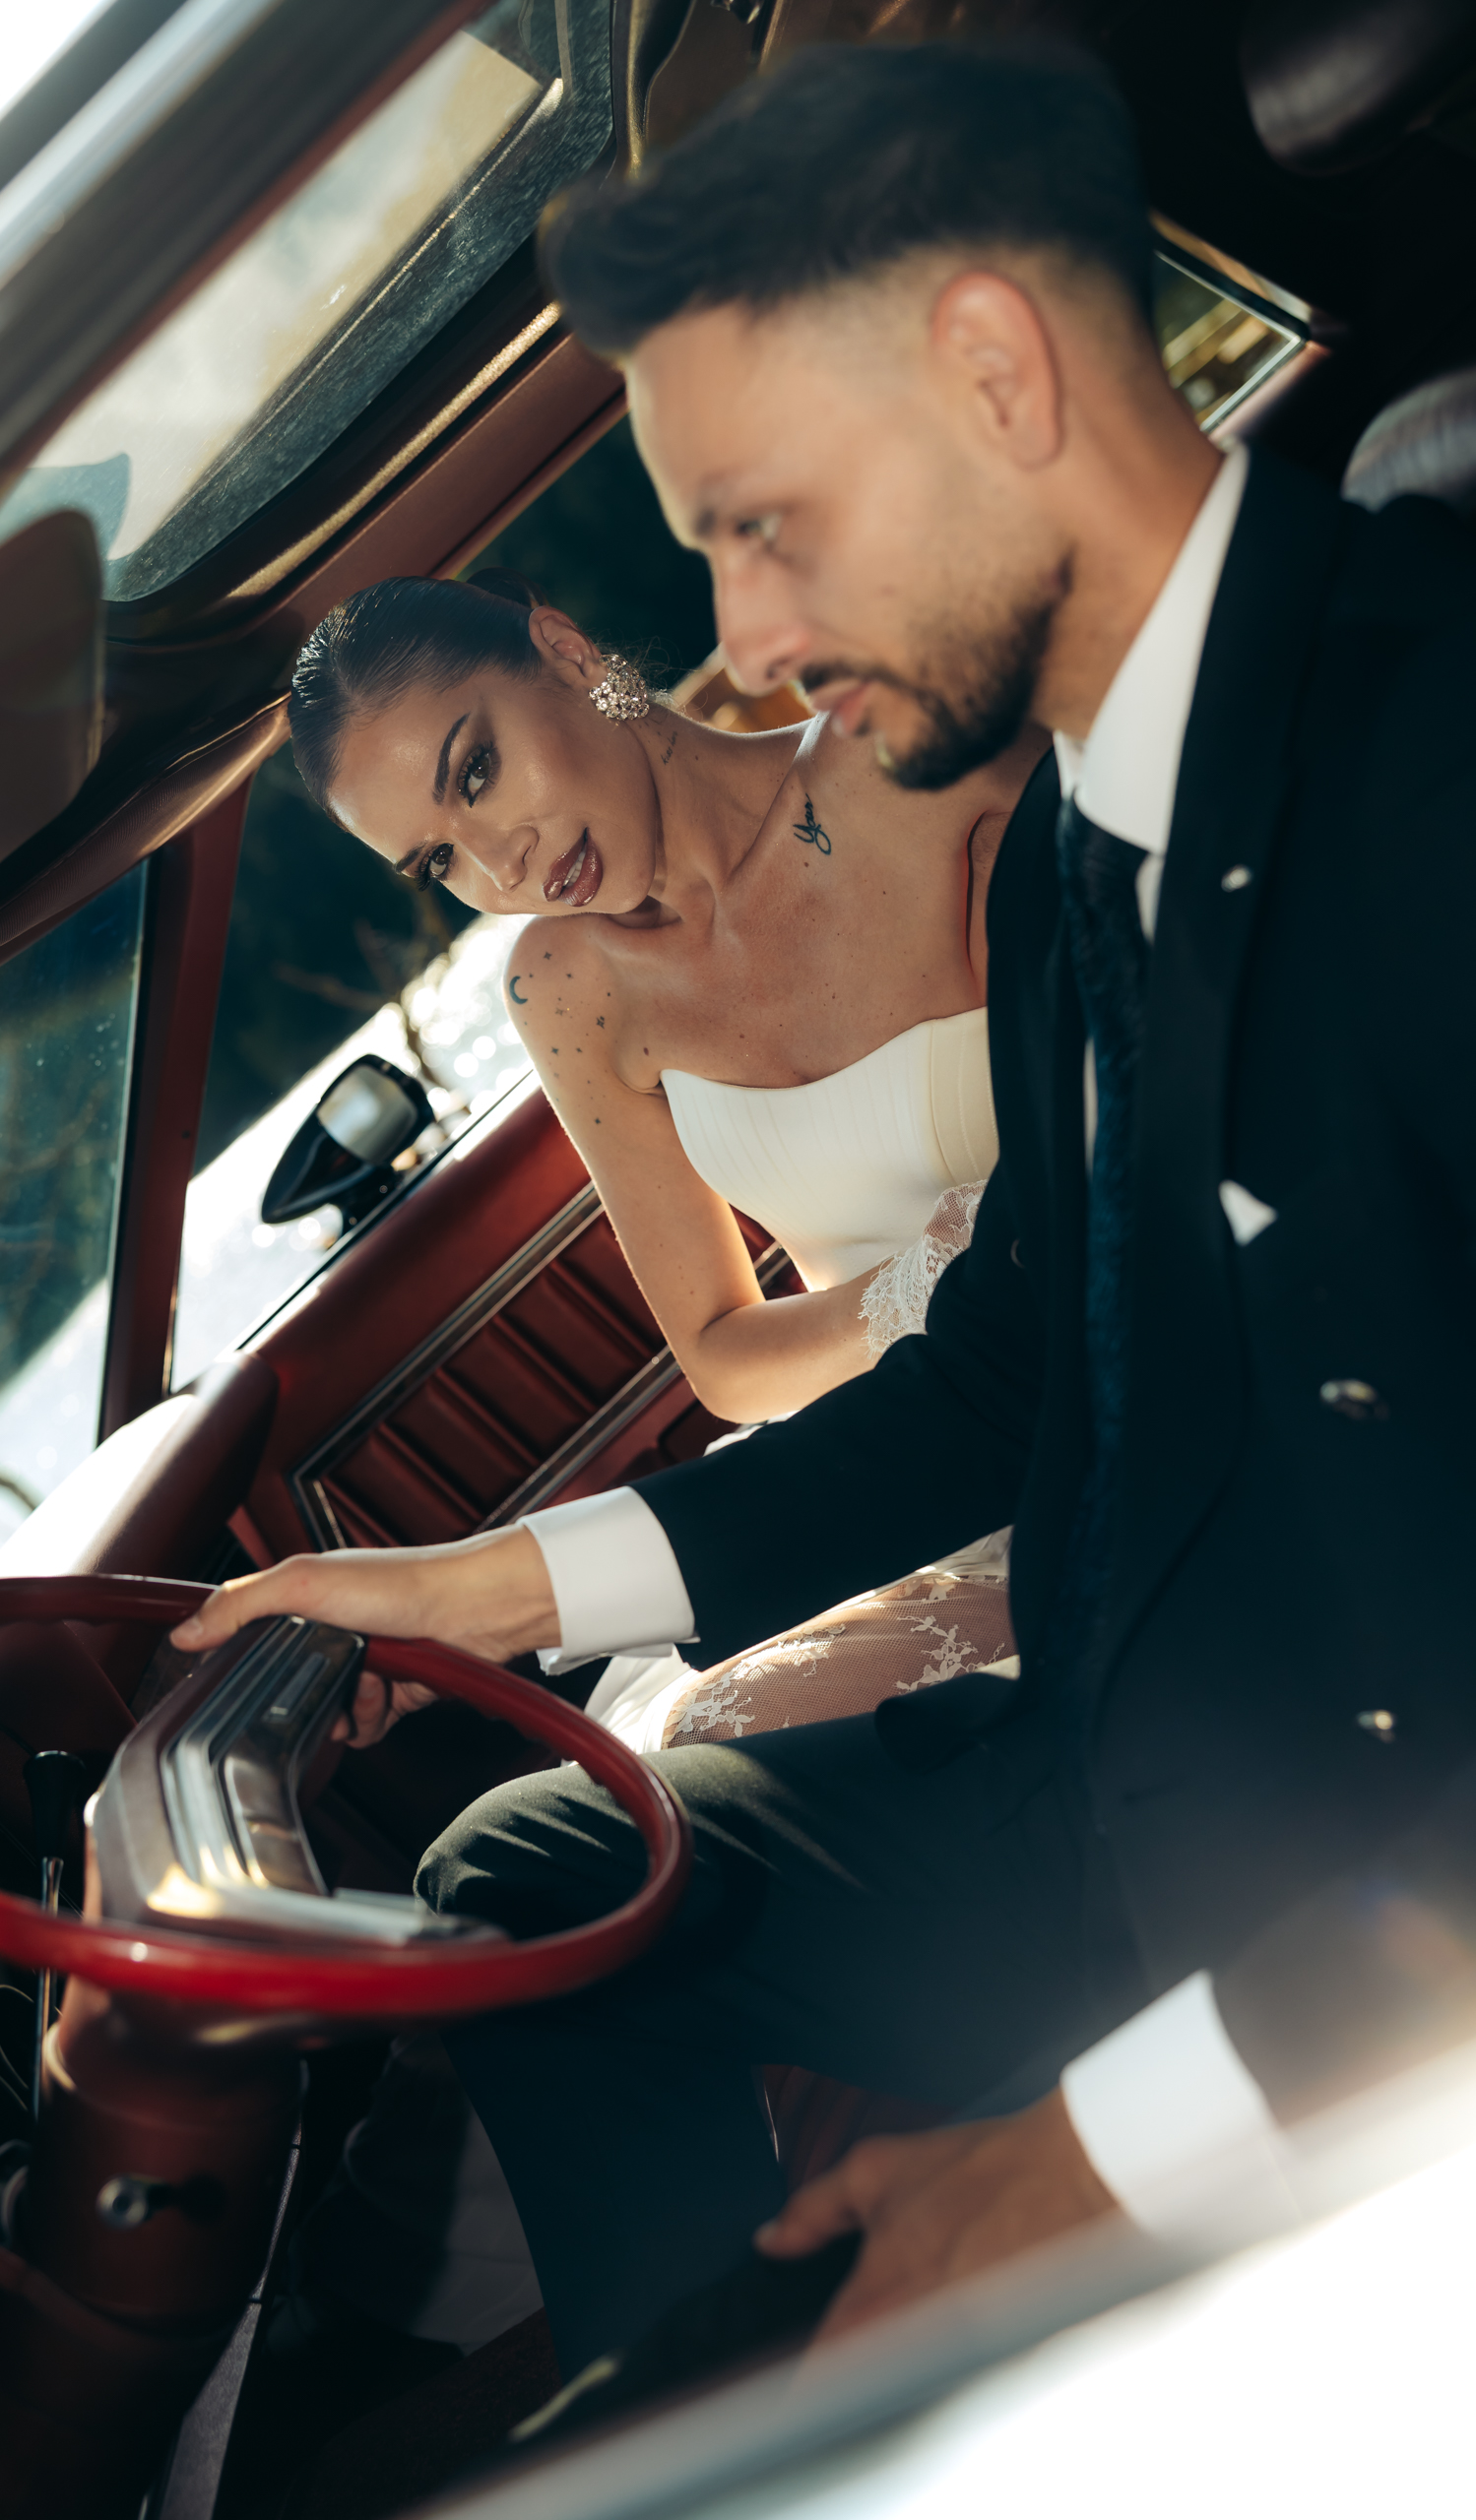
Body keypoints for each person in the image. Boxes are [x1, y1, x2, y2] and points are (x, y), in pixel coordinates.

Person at [172, 39, 1476, 2383]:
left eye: (762, 524)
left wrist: (1109, 2142)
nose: (752, 641)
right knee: (530, 1879)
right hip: (1104, 1758)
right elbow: (998, 1370)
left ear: (990, 373)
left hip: (1336, 1871)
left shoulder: (1424, 741)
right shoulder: (1082, 844)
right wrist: (462, 1587)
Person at [288, 570, 1044, 1743]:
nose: (499, 865)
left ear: (568, 653)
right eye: (438, 861)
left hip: (1106, 1367)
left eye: (476, 772)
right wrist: (905, 1295)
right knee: (655, 1767)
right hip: (876, 1461)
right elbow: (723, 1356)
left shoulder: (910, 770)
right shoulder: (565, 987)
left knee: (726, 1746)